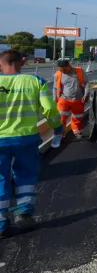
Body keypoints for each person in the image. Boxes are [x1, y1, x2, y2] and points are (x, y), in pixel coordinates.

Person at [0, 49, 63, 236]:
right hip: (26, 139)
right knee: (26, 175)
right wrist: (57, 127)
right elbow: (50, 109)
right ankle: (23, 213)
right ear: (24, 62)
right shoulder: (36, 82)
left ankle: (1, 223)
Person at [55, 59, 88, 139]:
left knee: (77, 117)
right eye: (60, 70)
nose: (62, 71)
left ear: (68, 66)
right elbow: (55, 87)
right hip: (63, 99)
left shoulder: (79, 71)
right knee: (61, 118)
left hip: (78, 99)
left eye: (64, 70)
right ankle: (61, 134)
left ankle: (77, 131)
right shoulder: (58, 74)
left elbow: (86, 83)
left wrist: (86, 94)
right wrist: (54, 98)